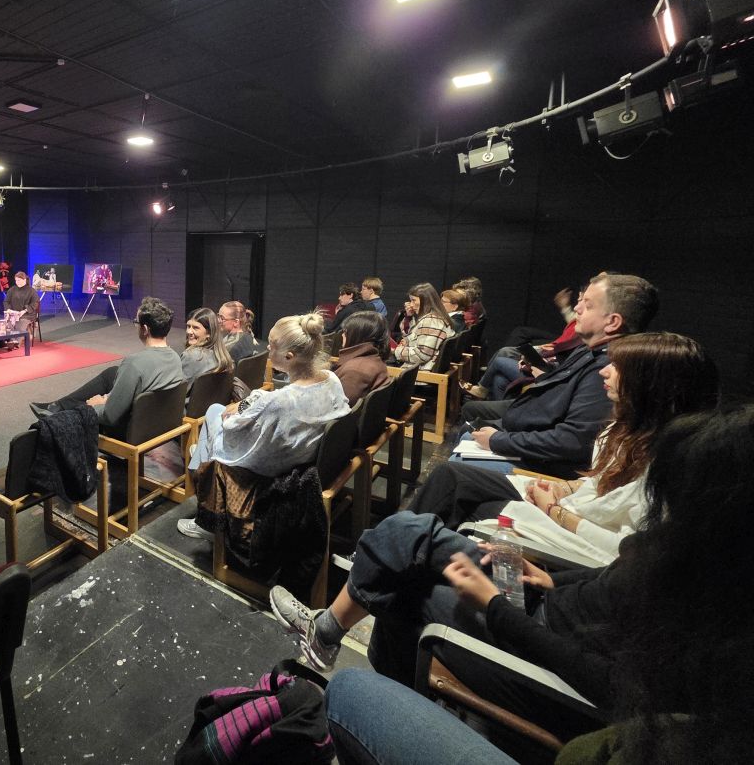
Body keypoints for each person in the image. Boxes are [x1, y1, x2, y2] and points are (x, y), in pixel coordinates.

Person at [307, 405, 754, 763]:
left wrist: (494, 607)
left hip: (531, 639)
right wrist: (552, 580)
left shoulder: (710, 611)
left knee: (404, 573)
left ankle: (334, 634)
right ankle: (343, 630)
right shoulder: (694, 559)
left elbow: (608, 682)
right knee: (407, 538)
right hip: (541, 601)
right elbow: (610, 584)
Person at [409, 332, 719, 564]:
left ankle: (406, 556)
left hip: (574, 538)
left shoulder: (669, 463)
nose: (605, 371)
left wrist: (553, 509)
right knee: (451, 476)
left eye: (618, 367)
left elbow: (622, 548)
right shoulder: (629, 427)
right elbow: (600, 482)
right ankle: (405, 550)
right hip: (569, 503)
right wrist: (566, 488)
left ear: (650, 384)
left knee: (463, 503)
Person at [458, 273, 658, 477]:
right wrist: (539, 375)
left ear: (613, 322)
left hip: (545, 467)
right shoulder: (590, 349)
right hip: (529, 432)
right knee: (471, 425)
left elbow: (573, 441)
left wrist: (498, 440)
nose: (577, 308)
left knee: (461, 452)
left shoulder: (607, 368)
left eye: (588, 305)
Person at [178, 312, 351, 539]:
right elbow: (279, 403)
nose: (267, 348)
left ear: (289, 356)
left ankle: (208, 516)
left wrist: (230, 421)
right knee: (216, 415)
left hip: (269, 472)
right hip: (307, 458)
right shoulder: (330, 379)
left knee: (213, 418)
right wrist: (248, 404)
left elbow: (233, 438)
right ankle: (202, 469)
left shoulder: (280, 402)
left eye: (272, 345)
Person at [30, 297, 185, 435]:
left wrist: (93, 406)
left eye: (136, 322)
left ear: (145, 329)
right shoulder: (176, 358)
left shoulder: (134, 363)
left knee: (83, 407)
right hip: (156, 421)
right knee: (112, 373)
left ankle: (57, 413)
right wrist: (108, 399)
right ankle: (57, 407)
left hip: (133, 430)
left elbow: (110, 416)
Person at [390, 282, 455, 370]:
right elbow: (417, 336)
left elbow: (422, 355)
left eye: (414, 300)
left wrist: (396, 351)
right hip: (418, 369)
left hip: (418, 372)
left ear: (426, 301)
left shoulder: (431, 321)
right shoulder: (436, 317)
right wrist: (407, 340)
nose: (411, 305)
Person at [333, 310, 390, 406]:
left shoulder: (354, 371)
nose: (342, 335)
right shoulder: (374, 359)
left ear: (356, 335)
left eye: (345, 332)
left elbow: (343, 407)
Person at [181, 307, 235, 382]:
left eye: (195, 328)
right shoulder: (224, 358)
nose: (189, 331)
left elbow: (181, 388)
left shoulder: (190, 356)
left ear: (209, 333)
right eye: (188, 326)